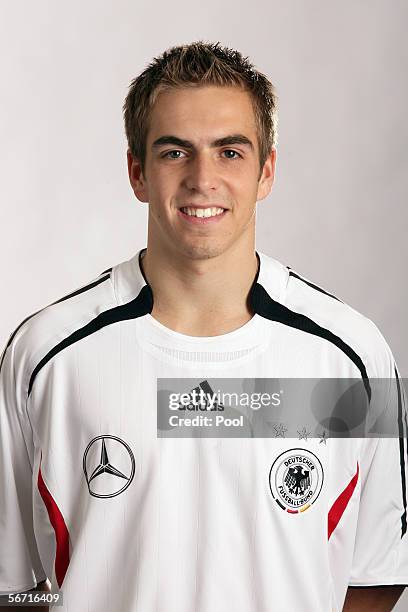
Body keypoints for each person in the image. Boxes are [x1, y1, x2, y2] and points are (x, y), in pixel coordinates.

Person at [0, 40, 406, 612]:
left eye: (230, 152)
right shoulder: (44, 352)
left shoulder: (352, 353)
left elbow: (376, 577)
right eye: (174, 152)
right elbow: (11, 585)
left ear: (266, 172)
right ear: (137, 173)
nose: (202, 178)